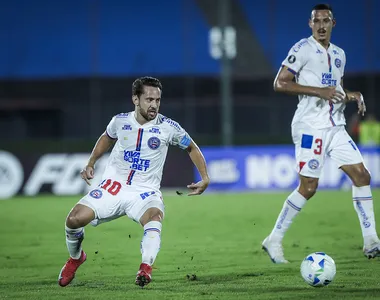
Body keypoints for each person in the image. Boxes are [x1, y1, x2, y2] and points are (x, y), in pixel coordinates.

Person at [58, 76, 210, 287]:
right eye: (149, 99)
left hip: (144, 192)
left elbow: (191, 147)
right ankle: (76, 259)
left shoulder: (169, 127)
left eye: (157, 100)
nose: (154, 105)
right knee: (73, 220)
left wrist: (205, 177)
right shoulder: (120, 121)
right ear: (135, 99)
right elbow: (106, 138)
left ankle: (145, 268)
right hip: (113, 187)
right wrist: (91, 162)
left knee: (154, 217)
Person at [262, 4, 380, 263]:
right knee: (309, 187)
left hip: (335, 126)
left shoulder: (339, 54)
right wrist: (319, 91)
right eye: (317, 21)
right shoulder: (302, 49)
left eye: (326, 20)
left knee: (362, 175)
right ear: (310, 24)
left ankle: (371, 239)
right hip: (309, 127)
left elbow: (335, 89)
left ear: (333, 23)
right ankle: (274, 239)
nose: (322, 25)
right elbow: (279, 83)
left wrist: (351, 95)